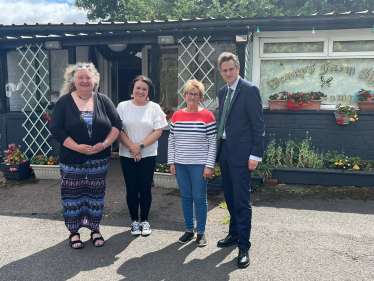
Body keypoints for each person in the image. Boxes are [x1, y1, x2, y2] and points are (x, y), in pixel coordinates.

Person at [50, 62, 122, 249]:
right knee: (72, 196)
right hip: (72, 160)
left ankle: (95, 229)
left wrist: (105, 144)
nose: (84, 80)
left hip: (99, 160)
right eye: (80, 77)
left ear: (94, 81)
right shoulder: (64, 102)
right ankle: (74, 232)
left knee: (95, 195)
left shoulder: (103, 100)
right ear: (73, 80)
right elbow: (56, 129)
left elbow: (117, 124)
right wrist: (77, 147)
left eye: (88, 77)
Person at [216, 52, 265, 268]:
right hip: (225, 151)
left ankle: (244, 246)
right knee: (230, 197)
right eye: (224, 70)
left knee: (242, 202)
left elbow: (258, 125)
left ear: (238, 68)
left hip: (243, 155)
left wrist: (255, 155)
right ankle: (234, 234)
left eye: (231, 69)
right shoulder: (222, 91)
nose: (228, 73)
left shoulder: (250, 90)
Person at [168, 79, 217, 247]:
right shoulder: (177, 115)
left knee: (199, 198)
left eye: (196, 94)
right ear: (184, 95)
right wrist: (171, 162)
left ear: (201, 97)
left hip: (199, 166)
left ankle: (201, 232)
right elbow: (171, 140)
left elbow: (213, 143)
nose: (192, 97)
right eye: (190, 93)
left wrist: (209, 165)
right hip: (180, 165)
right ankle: (189, 230)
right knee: (186, 198)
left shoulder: (207, 116)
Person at [117, 75, 168, 236]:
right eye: (138, 88)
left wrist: (140, 146)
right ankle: (134, 221)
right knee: (131, 188)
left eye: (144, 89)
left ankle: (145, 221)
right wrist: (132, 149)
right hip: (127, 154)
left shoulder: (154, 108)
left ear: (149, 92)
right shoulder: (122, 106)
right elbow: (118, 130)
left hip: (148, 154)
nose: (141, 91)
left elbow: (158, 131)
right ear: (132, 89)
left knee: (145, 188)